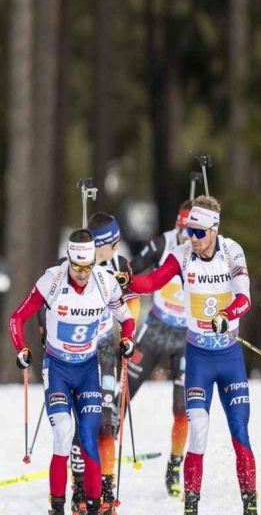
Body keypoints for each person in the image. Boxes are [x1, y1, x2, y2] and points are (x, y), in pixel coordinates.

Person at [122, 195, 256, 515]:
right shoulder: (182, 254)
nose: (191, 238)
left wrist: (227, 313)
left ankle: (250, 505)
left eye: (198, 232)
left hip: (228, 357)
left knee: (240, 433)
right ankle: (191, 507)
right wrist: (129, 281)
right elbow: (154, 280)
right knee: (198, 431)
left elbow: (244, 297)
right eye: (189, 231)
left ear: (213, 230)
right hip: (198, 357)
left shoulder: (232, 251)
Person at [8, 229, 136, 515]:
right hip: (57, 368)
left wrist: (127, 340)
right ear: (69, 259)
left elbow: (126, 319)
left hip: (88, 367)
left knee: (89, 436)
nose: (81, 273)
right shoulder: (52, 279)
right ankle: (57, 507)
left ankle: (92, 507)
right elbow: (17, 317)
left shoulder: (104, 282)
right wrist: (21, 348)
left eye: (87, 266)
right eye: (77, 267)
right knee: (64, 433)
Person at [68, 212, 140, 515]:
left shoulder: (121, 265)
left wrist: (128, 334)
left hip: (109, 352)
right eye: (115, 242)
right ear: (105, 243)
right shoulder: (75, 265)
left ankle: (106, 488)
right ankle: (80, 490)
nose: (118, 247)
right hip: (81, 352)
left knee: (107, 420)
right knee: (84, 421)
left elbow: (133, 301)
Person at [128, 200, 192, 497]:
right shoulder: (162, 243)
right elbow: (132, 270)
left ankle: (175, 466)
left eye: (194, 232)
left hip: (187, 336)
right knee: (122, 392)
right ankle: (98, 460)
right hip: (155, 329)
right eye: (183, 230)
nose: (187, 238)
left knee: (183, 409)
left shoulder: (209, 252)